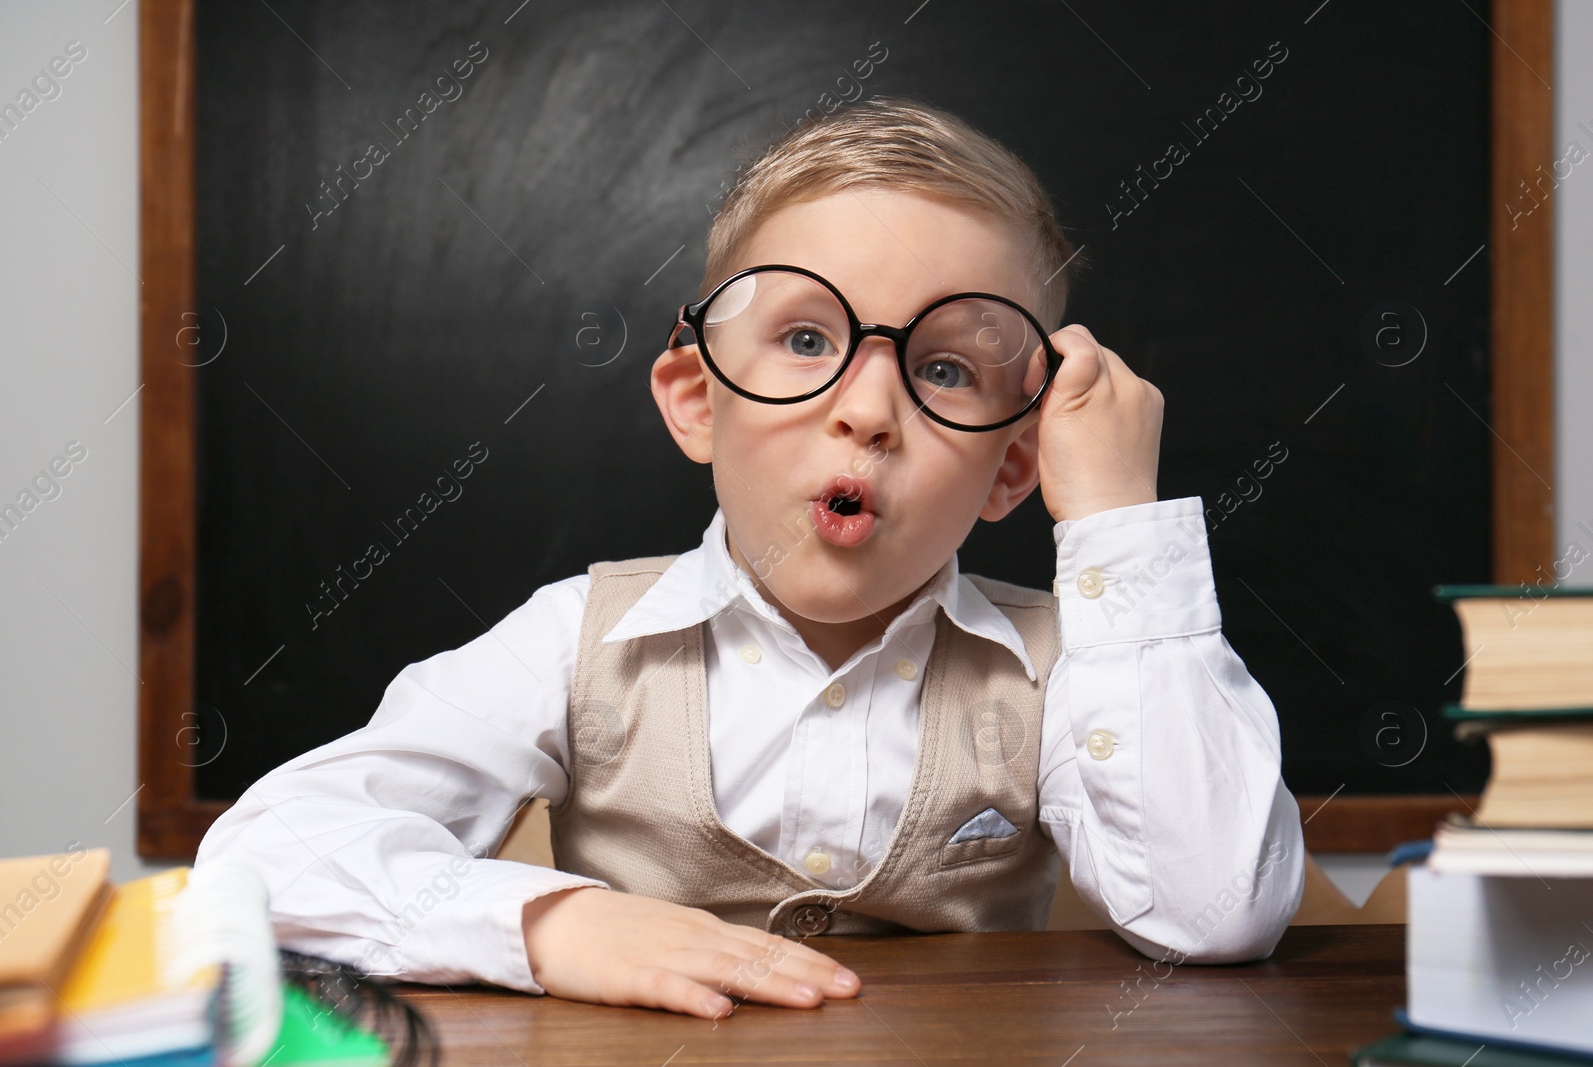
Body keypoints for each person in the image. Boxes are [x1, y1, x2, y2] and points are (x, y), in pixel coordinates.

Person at [196, 95, 1305, 1022]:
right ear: (696, 401)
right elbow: (260, 857)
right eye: (808, 339)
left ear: (1013, 467)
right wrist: (550, 919)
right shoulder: (575, 641)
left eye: (950, 369)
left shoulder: (1065, 663)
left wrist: (1116, 520)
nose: (869, 411)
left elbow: (1217, 912)